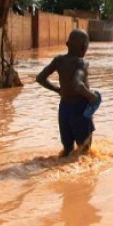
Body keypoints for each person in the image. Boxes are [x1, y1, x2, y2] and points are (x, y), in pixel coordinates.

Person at [36, 29, 99, 157]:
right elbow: (78, 84)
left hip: (64, 109)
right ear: (84, 47)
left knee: (67, 151)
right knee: (85, 152)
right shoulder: (82, 63)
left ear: (67, 44)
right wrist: (92, 96)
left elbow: (40, 78)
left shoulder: (59, 61)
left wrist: (58, 90)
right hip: (81, 110)